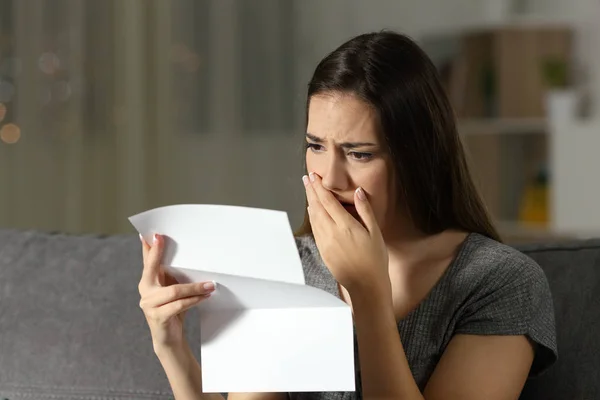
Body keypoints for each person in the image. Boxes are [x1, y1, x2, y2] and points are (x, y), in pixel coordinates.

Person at [137, 30, 557, 400]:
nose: (330, 176)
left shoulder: (499, 282)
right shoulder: (286, 264)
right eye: (316, 146)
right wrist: (172, 348)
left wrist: (369, 293)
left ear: (418, 157)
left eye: (359, 153)